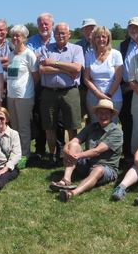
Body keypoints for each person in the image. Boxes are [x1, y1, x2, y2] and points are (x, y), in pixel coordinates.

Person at [50, 99, 123, 203]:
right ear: (96, 114)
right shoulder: (92, 126)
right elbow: (73, 141)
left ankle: (71, 193)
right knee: (74, 145)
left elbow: (97, 151)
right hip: (88, 163)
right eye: (101, 112)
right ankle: (66, 180)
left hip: (106, 168)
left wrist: (76, 156)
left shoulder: (116, 132)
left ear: (112, 115)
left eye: (106, 113)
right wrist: (67, 150)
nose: (103, 115)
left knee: (98, 170)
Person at [38, 22, 84, 165]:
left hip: (69, 91)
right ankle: (52, 155)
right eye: (58, 33)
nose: (60, 35)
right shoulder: (46, 48)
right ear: (54, 35)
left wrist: (54, 63)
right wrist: (65, 70)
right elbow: (42, 69)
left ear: (69, 34)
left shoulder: (76, 49)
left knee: (72, 125)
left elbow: (77, 68)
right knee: (49, 126)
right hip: (49, 92)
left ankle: (71, 154)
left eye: (63, 33)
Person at [6, 24, 39, 162]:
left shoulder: (29, 54)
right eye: (13, 35)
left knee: (24, 126)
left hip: (24, 96)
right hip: (11, 96)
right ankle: (16, 152)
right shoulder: (11, 54)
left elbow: (36, 76)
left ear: (24, 38)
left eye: (18, 35)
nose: (14, 38)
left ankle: (25, 154)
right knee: (14, 126)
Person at [26, 12, 55, 162]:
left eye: (46, 24)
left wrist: (39, 58)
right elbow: (29, 57)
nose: (44, 26)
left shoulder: (58, 38)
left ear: (52, 25)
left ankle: (58, 149)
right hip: (37, 83)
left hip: (53, 84)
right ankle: (39, 147)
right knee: (38, 116)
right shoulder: (32, 40)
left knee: (56, 118)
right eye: (41, 24)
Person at [118, 17, 138, 163]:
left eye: (137, 27)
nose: (134, 30)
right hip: (127, 90)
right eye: (131, 27)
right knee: (127, 122)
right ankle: (128, 154)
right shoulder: (123, 45)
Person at [84, 25, 123, 122]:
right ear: (93, 39)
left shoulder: (116, 54)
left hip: (114, 97)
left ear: (108, 39)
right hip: (93, 97)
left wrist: (108, 96)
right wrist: (98, 94)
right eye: (97, 37)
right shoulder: (89, 54)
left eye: (104, 37)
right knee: (95, 125)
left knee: (111, 126)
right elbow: (86, 78)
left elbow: (118, 78)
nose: (101, 39)